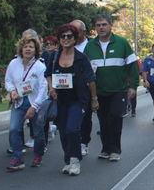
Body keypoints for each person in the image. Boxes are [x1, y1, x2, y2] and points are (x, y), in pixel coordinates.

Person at [84, 14, 139, 162]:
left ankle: (115, 149)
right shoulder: (90, 46)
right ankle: (105, 148)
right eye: (98, 25)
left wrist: (133, 86)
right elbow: (85, 70)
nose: (101, 28)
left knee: (115, 117)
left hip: (118, 90)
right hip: (99, 91)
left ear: (110, 26)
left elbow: (132, 66)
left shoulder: (122, 43)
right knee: (103, 120)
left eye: (104, 24)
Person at [46, 24, 98, 176]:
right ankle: (68, 160)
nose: (66, 39)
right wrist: (51, 88)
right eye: (63, 36)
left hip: (78, 99)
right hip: (60, 100)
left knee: (72, 129)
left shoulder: (81, 58)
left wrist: (94, 99)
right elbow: (48, 74)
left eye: (69, 36)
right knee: (63, 131)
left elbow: (91, 80)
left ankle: (75, 160)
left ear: (75, 39)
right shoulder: (54, 56)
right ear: (59, 39)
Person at [4, 36, 48, 171]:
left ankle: (38, 154)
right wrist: (12, 91)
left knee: (38, 132)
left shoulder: (40, 66)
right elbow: (8, 80)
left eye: (31, 47)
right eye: (25, 46)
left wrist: (34, 107)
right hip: (18, 102)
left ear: (36, 50)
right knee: (14, 129)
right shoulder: (13, 63)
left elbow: (43, 88)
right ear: (21, 49)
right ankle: (17, 157)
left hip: (35, 104)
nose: (28, 49)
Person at [70, 19, 92, 156]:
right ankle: (72, 143)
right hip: (68, 88)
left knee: (85, 117)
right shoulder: (66, 44)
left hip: (86, 88)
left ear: (83, 31)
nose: (72, 34)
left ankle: (84, 142)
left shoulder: (92, 45)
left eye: (75, 30)